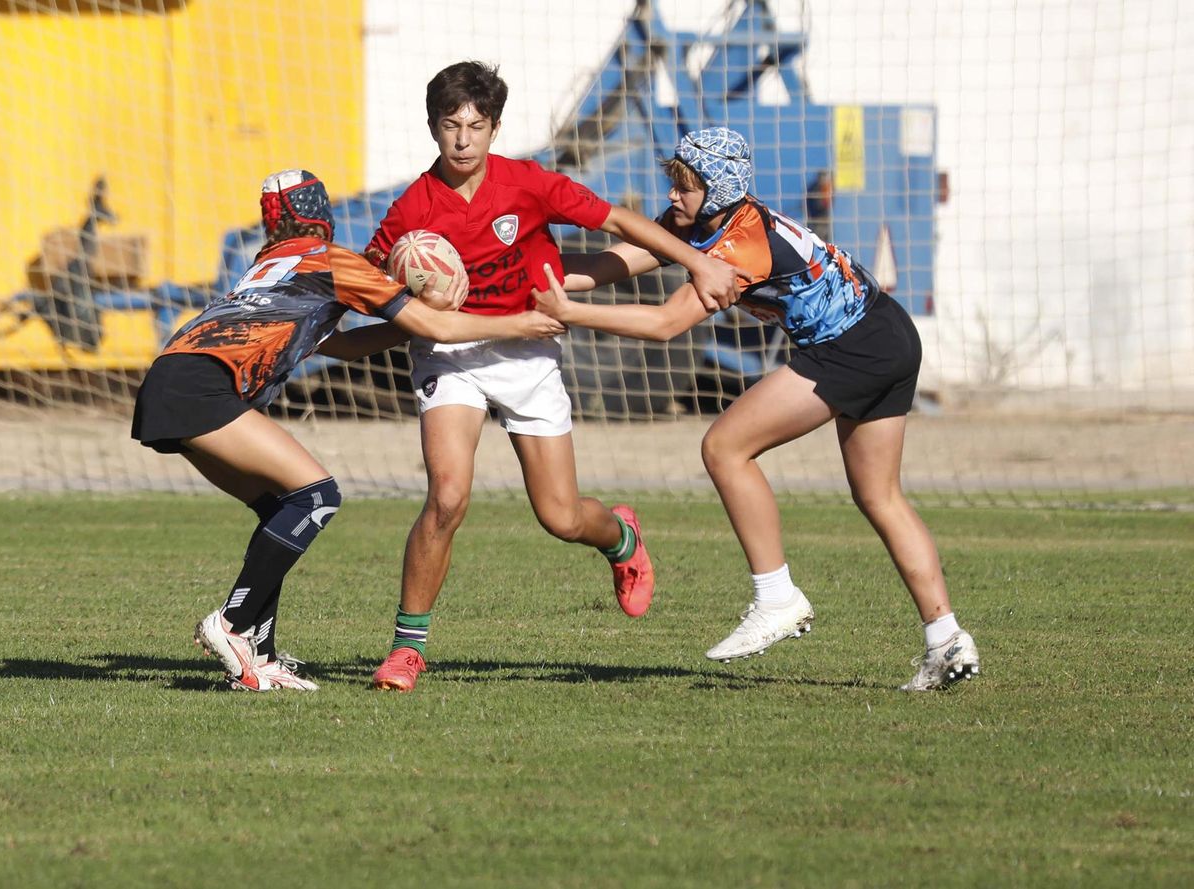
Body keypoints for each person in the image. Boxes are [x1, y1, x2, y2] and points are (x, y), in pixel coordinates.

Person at [536, 126, 980, 691]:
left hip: (853, 347)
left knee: (725, 447)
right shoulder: (704, 218)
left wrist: (568, 312)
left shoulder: (739, 244)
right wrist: (533, 272)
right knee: (879, 496)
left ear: (718, 189)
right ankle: (946, 639)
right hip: (888, 333)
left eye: (685, 185)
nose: (672, 195)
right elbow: (615, 260)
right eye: (674, 181)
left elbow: (665, 324)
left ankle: (777, 599)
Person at [361, 61, 749, 693]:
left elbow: (619, 223)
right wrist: (315, 336)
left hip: (528, 354)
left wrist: (695, 263)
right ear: (432, 128)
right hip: (450, 357)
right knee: (448, 495)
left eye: (476, 126)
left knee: (562, 517)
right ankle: (407, 649)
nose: (463, 140)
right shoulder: (409, 213)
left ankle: (621, 536)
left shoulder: (527, 184)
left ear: (494, 128)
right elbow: (374, 293)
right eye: (450, 126)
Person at [132, 169, 564, 692]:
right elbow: (440, 327)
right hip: (202, 387)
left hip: (171, 379)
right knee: (317, 496)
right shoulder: (332, 261)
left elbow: (338, 346)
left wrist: (405, 323)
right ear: (323, 213)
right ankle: (230, 623)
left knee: (280, 506)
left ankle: (260, 659)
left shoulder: (268, 266)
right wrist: (519, 323)